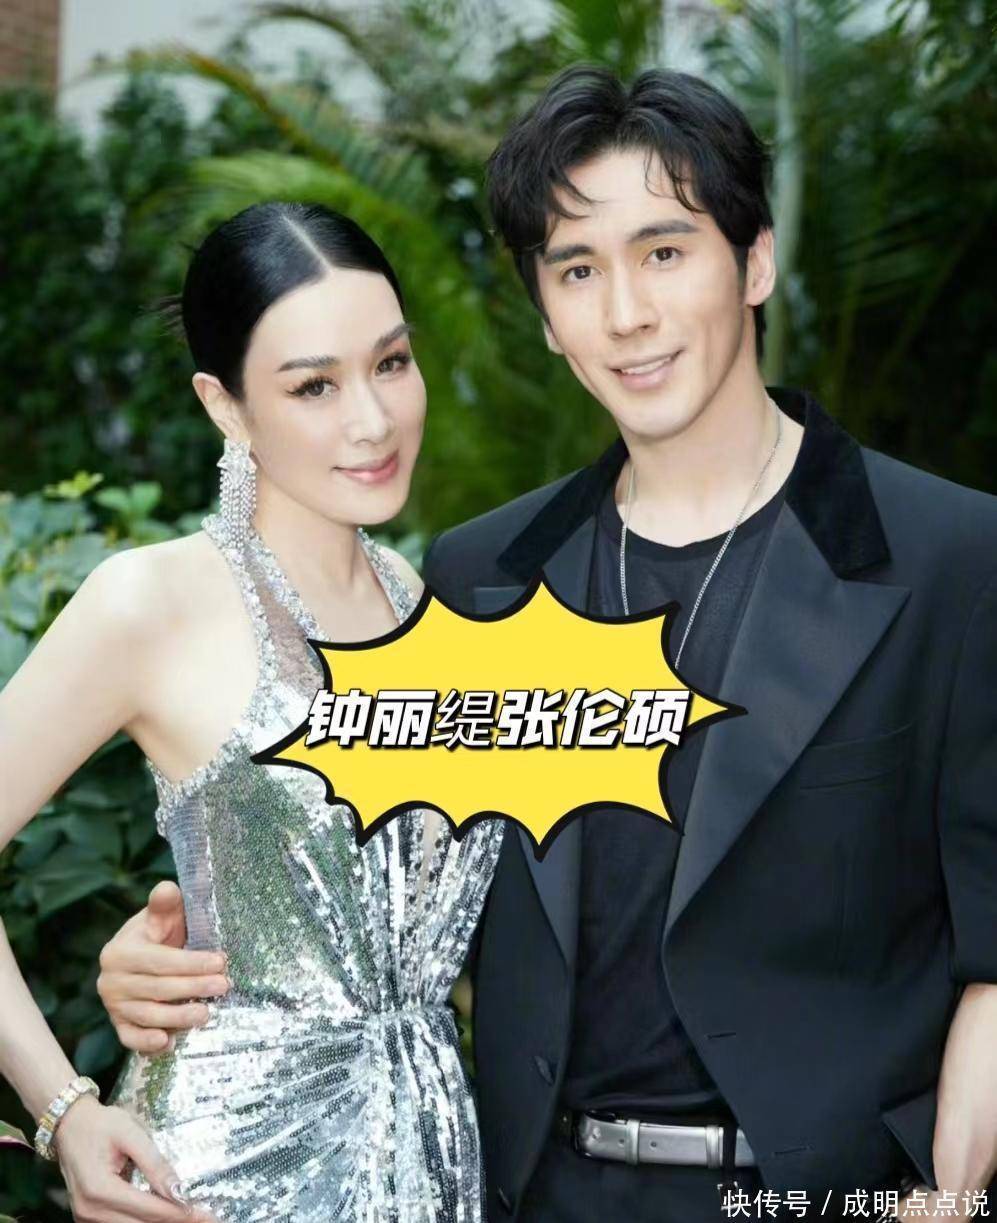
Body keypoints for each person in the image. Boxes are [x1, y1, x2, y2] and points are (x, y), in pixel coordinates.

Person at [96, 67, 997, 1221]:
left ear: (754, 261)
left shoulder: (948, 557)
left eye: (663, 251)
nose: (625, 312)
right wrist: (169, 958)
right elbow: (388, 887)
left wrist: (946, 1192)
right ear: (546, 315)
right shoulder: (480, 578)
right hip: (535, 1191)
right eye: (577, 269)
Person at [0, 202, 503, 1223]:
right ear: (224, 406)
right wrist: (63, 1109)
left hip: (431, 1162)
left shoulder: (422, 599)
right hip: (221, 1176)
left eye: (391, 363)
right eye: (314, 385)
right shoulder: (153, 603)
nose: (372, 418)